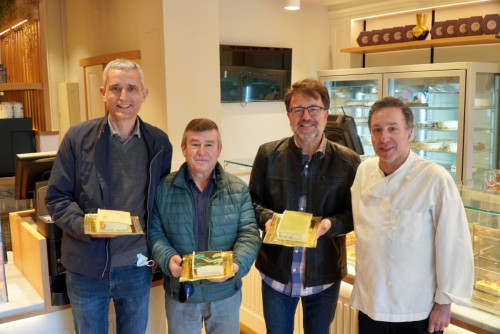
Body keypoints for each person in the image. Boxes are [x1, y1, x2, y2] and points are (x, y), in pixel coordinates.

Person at [45, 58, 173, 334]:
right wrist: (87, 226)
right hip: (86, 267)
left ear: (144, 94)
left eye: (131, 88)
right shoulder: (77, 138)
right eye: (115, 88)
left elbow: (161, 205)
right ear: (103, 92)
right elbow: (56, 198)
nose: (123, 97)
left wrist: (159, 254)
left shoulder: (159, 143)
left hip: (137, 267)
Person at [350, 97, 473, 334]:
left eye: (393, 129)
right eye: (377, 130)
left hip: (416, 308)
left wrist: (444, 303)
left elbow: (454, 244)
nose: (384, 137)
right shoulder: (364, 171)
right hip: (370, 302)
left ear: (409, 133)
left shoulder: (434, 178)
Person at [248, 78, 360, 334]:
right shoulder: (268, 154)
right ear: (288, 115)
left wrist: (328, 225)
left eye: (313, 109)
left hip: (324, 276)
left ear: (326, 113)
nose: (306, 116)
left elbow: (354, 214)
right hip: (276, 273)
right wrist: (267, 220)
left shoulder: (348, 161)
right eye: (298, 109)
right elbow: (251, 202)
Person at [149, 118, 260, 334]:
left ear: (219, 150)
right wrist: (167, 257)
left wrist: (235, 266)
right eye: (194, 144)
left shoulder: (237, 189)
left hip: (225, 293)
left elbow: (249, 235)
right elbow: (155, 232)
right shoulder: (164, 188)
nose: (202, 151)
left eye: (209, 144)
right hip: (181, 293)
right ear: (183, 148)